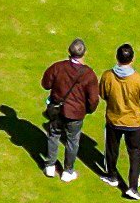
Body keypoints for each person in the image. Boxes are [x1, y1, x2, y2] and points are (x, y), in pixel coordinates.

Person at [38, 37, 102, 181]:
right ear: (84, 53)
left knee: (53, 135)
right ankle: (68, 171)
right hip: (76, 114)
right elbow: (93, 99)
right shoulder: (89, 74)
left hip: (56, 109)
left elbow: (46, 84)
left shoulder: (58, 67)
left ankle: (50, 166)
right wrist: (89, 110)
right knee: (72, 140)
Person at [93, 43, 140, 199]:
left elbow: (103, 94)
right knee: (135, 154)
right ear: (132, 59)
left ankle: (112, 175)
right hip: (133, 123)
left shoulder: (107, 76)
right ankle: (132, 187)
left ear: (117, 57)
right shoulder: (139, 80)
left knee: (111, 149)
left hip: (114, 119)